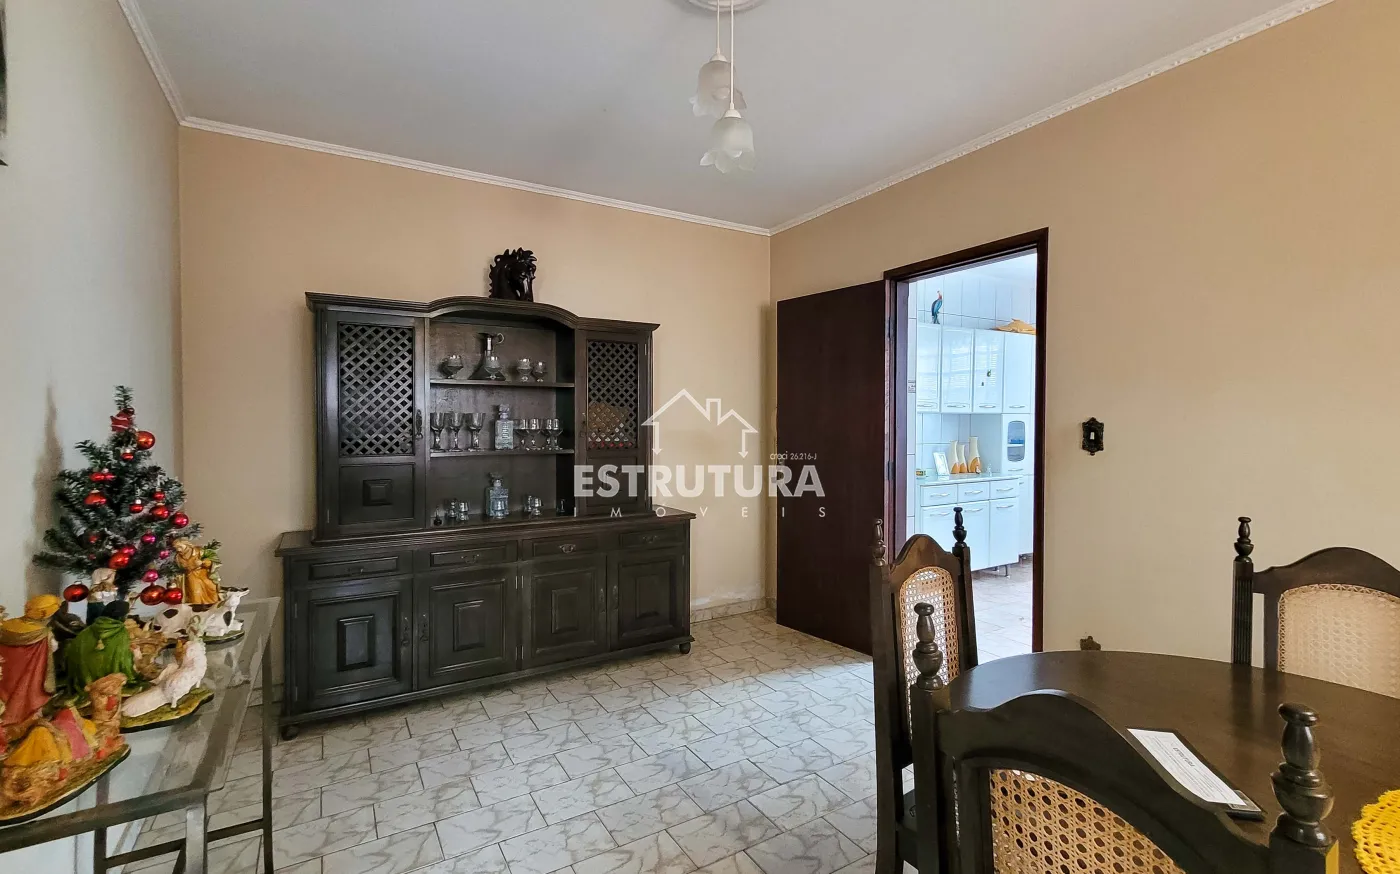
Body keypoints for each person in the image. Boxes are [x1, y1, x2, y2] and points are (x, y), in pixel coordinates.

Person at [0, 595, 62, 737]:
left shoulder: (7, 625)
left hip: (6, 672)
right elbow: (54, 648)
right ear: (45, 615)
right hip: (29, 675)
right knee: (24, 697)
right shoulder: (44, 634)